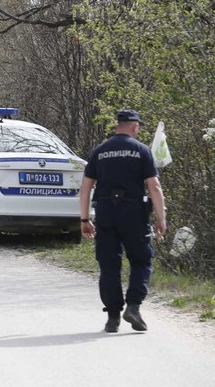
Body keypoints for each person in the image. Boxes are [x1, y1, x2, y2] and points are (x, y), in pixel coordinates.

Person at [79, 109, 167, 333]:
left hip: (106, 211)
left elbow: (86, 187)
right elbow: (154, 186)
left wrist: (84, 219)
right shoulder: (141, 150)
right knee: (141, 260)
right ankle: (134, 307)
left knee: (109, 264)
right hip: (134, 212)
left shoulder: (99, 151)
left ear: (118, 125)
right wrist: (160, 218)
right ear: (134, 126)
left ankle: (112, 317)